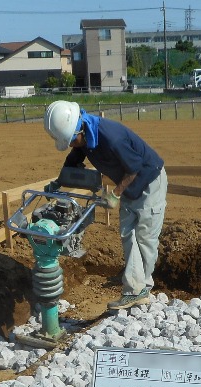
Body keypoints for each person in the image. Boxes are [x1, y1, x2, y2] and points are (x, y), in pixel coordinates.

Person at [43, 100, 167, 311]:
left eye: (71, 141)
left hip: (148, 181)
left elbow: (134, 169)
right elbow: (73, 162)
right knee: (128, 234)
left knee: (145, 236)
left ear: (78, 131)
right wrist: (58, 182)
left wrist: (115, 195)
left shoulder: (111, 138)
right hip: (129, 185)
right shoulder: (85, 139)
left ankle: (140, 290)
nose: (72, 145)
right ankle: (135, 289)